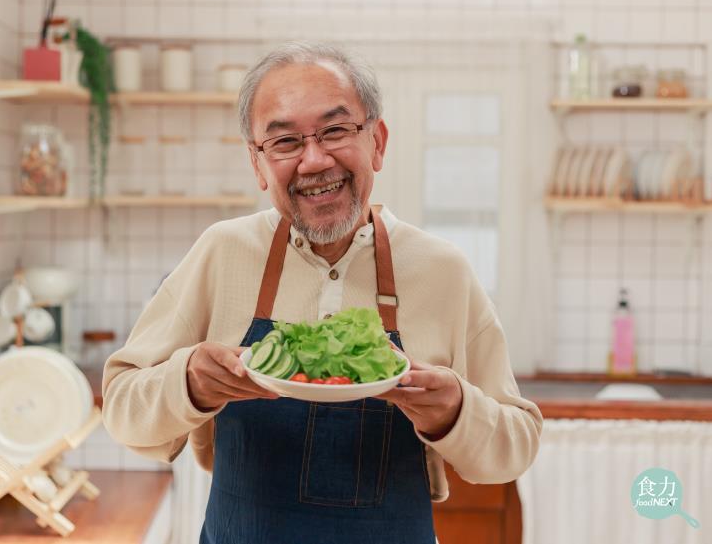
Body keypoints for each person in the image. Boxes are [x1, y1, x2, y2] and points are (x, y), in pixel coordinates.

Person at [102, 41, 543, 544]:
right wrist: (188, 383)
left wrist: (454, 411)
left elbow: (516, 447)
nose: (313, 161)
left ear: (377, 142)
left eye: (335, 131)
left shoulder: (442, 271)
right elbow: (121, 410)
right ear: (258, 163)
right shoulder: (222, 252)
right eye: (285, 142)